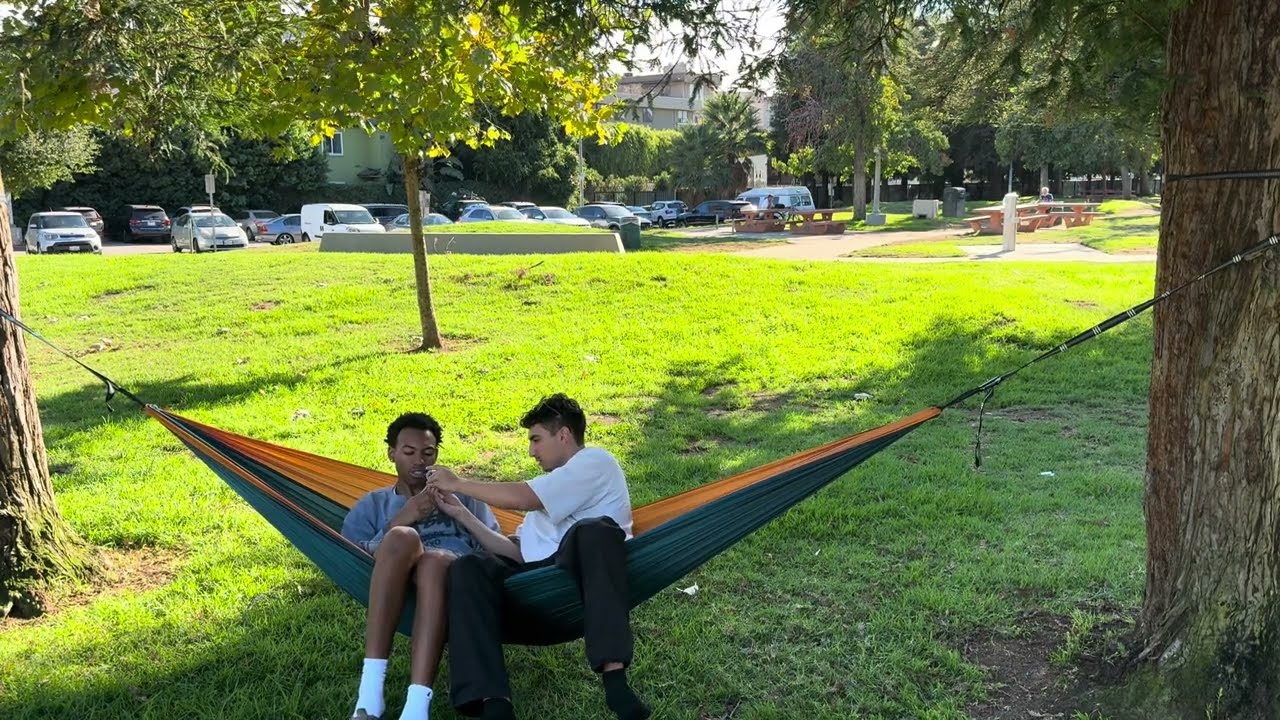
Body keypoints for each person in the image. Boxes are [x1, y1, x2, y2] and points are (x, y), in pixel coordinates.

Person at [423, 394, 647, 720]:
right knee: (468, 566)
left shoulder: (595, 462)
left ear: (564, 435)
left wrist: (458, 484)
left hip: (582, 571)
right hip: (537, 580)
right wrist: (462, 515)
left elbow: (524, 498)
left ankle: (615, 682)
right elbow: (517, 553)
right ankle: (493, 703)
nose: (531, 451)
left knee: (595, 530)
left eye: (536, 439)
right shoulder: (550, 491)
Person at [341, 412, 501, 720]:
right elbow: (351, 554)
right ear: (392, 454)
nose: (419, 461)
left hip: (452, 574)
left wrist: (459, 511)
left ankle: (416, 707)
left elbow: (493, 547)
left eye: (428, 452)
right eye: (409, 451)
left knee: (433, 561)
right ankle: (369, 695)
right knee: (402, 536)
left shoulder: (464, 498)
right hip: (396, 578)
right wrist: (406, 515)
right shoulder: (373, 504)